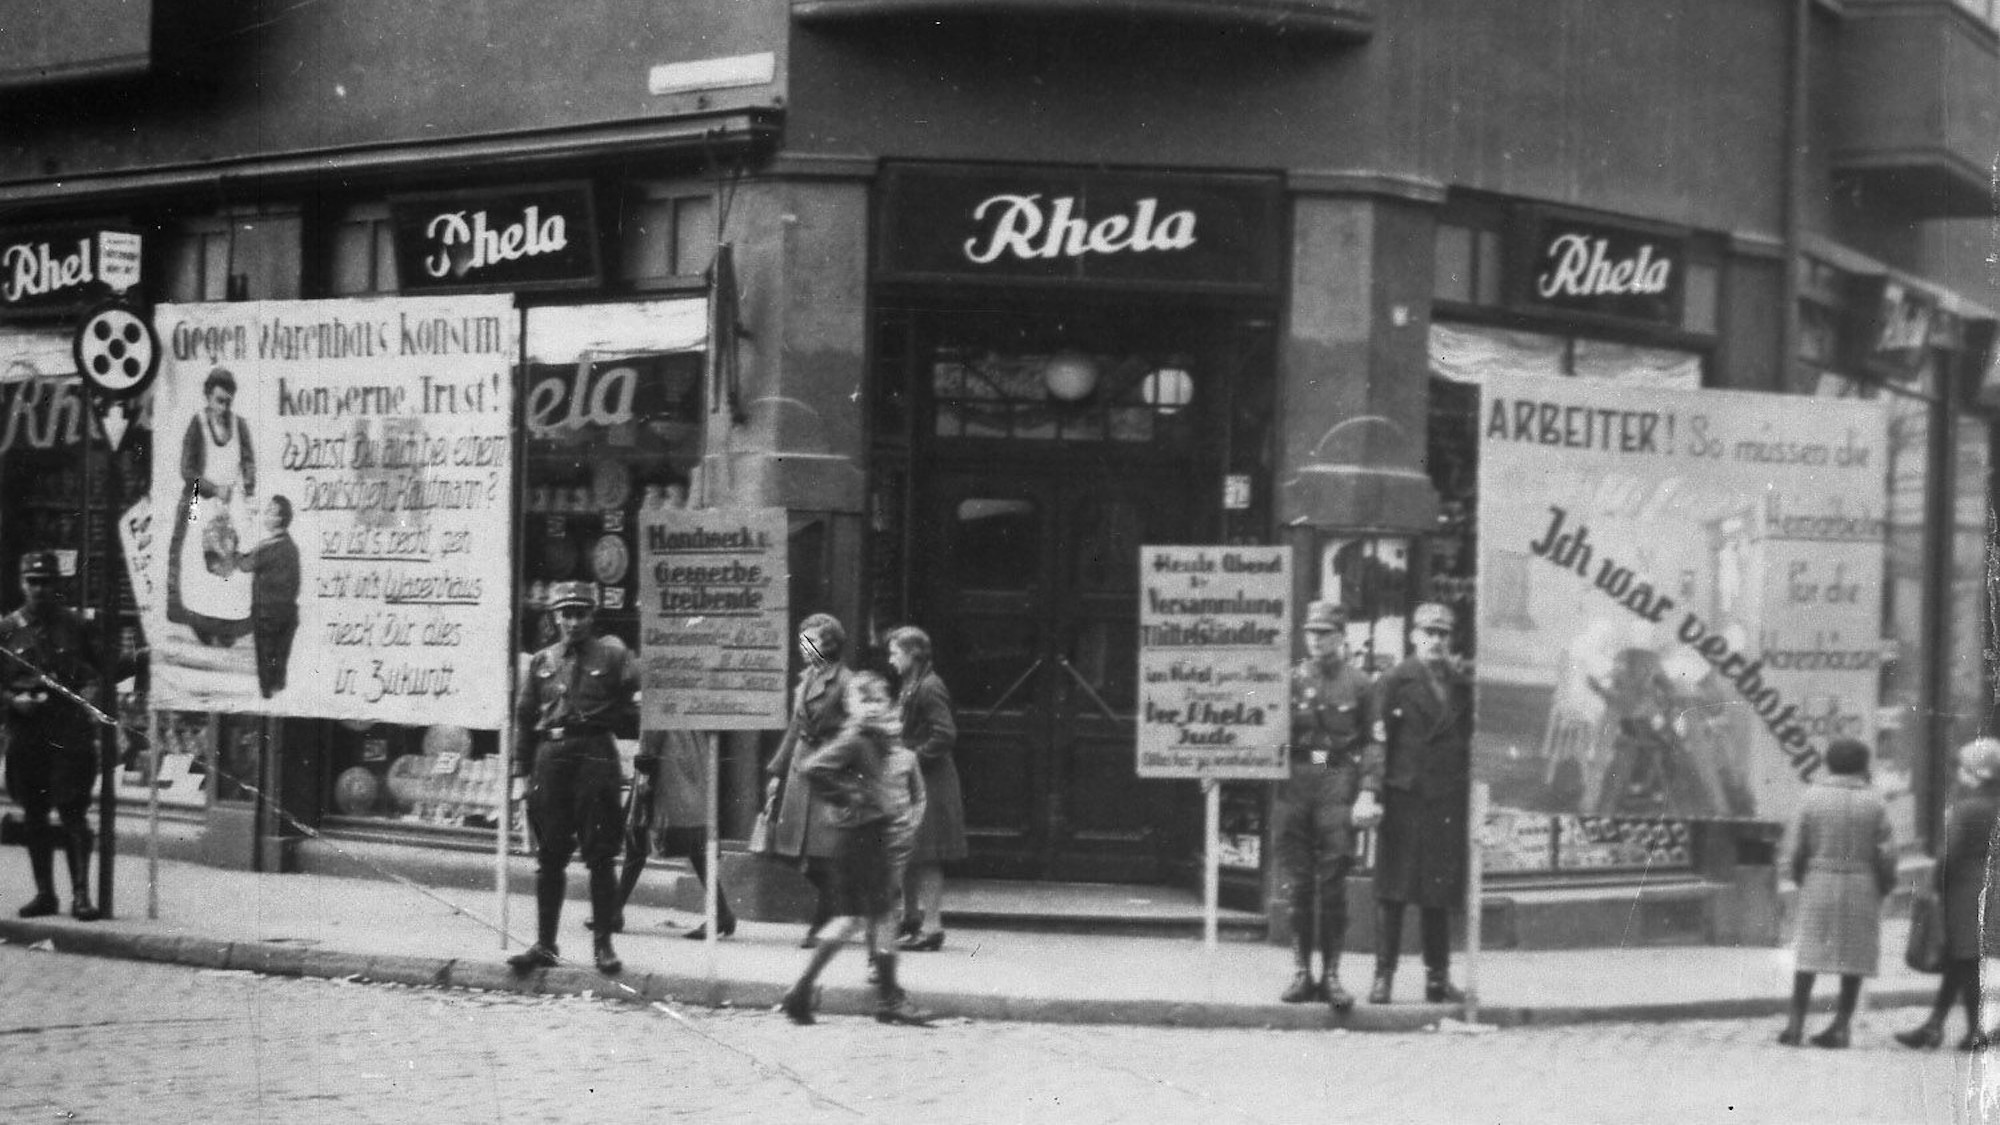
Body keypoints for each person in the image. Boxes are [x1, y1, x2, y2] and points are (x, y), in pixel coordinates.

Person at [779, 671, 932, 1027]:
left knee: (868, 917)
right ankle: (885, 998)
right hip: (863, 837)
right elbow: (811, 767)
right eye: (867, 700)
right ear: (854, 705)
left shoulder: (877, 740)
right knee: (865, 918)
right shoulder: (857, 738)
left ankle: (804, 992)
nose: (876, 706)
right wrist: (850, 796)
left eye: (881, 700)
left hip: (867, 835)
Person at [507, 581, 638, 976]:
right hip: (551, 759)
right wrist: (519, 773)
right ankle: (546, 944)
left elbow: (640, 697)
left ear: (592, 616)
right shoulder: (541, 661)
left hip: (594, 757)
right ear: (555, 617)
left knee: (600, 855)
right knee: (550, 856)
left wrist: (619, 718)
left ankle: (603, 946)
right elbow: (525, 719)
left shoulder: (614, 656)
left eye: (581, 613)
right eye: (567, 613)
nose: (574, 621)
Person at [1274, 600, 1382, 1011]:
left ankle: (1333, 975)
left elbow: (1374, 742)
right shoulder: (1290, 680)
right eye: (1311, 632)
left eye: (1325, 633)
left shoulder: (1360, 685)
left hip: (1337, 782)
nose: (1317, 640)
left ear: (1341, 636)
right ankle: (1302, 973)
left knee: (1333, 884)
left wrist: (1369, 789)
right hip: (1295, 785)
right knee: (1298, 884)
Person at [1363, 602, 1471, 1005]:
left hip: (1445, 802)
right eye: (1429, 632)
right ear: (1414, 635)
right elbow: (1377, 742)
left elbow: (1467, 746)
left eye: (1443, 634)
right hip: (1404, 798)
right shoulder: (1394, 680)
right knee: (1392, 892)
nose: (1436, 641)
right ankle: (1383, 977)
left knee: (1437, 895)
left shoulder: (1460, 685)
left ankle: (1437, 979)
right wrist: (1370, 791)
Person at [0, 551, 105, 921]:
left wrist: (87, 702)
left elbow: (97, 674)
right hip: (27, 735)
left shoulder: (75, 626)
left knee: (73, 813)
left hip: (68, 734)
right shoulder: (7, 629)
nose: (39, 589)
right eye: (32, 581)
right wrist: (14, 699)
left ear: (56, 584)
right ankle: (45, 893)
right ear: (21, 583)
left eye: (46, 582)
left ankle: (81, 896)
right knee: (34, 815)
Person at [1778, 737, 1895, 1048]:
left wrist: (1799, 876)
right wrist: (1886, 882)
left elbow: (1796, 847)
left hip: (1819, 880)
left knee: (1808, 954)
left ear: (1828, 763)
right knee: (1854, 958)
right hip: (1862, 881)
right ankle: (1841, 1026)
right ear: (1863, 765)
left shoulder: (1812, 797)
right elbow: (1886, 851)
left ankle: (1794, 1024)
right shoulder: (1875, 801)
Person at [1896, 737, 2000, 1052]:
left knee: (1965, 960)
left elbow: (1950, 855)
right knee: (1961, 962)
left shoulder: (1967, 809)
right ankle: (1934, 1026)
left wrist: (1933, 888)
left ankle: (1973, 1032)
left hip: (1967, 895)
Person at [596, 730, 737, 940]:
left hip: (666, 763)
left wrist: (644, 771)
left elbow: (654, 722)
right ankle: (615, 909)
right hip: (687, 754)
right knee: (684, 836)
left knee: (641, 831)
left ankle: (614, 911)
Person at [764, 613, 853, 947]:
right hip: (803, 769)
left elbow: (857, 730)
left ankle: (823, 923)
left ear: (829, 644)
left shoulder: (846, 682)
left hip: (830, 771)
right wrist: (776, 772)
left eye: (811, 641)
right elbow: (794, 729)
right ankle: (838, 909)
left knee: (823, 853)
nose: (804, 648)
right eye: (802, 641)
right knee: (795, 852)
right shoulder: (806, 679)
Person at [886, 625, 963, 952]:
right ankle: (911, 918)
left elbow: (945, 734)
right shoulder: (911, 684)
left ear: (912, 655)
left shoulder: (929, 687)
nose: (891, 660)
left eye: (895, 653)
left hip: (929, 781)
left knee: (928, 855)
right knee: (910, 850)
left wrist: (912, 758)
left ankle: (932, 927)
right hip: (915, 780)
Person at [168, 366, 257, 646]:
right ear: (208, 397)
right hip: (199, 496)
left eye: (228, 402)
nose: (223, 407)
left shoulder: (239, 425)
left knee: (234, 559)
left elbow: (248, 459)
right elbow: (186, 469)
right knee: (196, 556)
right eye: (219, 400)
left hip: (230, 499)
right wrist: (211, 487)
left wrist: (249, 483)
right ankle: (201, 621)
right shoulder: (197, 424)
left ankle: (229, 624)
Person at [233, 494, 300, 699]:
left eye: (270, 511)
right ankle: (277, 695)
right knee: (279, 663)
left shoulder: (269, 547)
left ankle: (267, 699)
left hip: (266, 613)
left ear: (280, 518)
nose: (266, 515)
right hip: (287, 613)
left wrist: (232, 547)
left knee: (265, 662)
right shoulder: (290, 546)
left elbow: (245, 565)